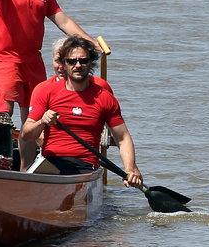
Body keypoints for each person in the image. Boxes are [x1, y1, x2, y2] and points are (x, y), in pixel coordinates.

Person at [20, 36, 142, 187]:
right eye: (72, 61)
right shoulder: (47, 92)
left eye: (83, 61)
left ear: (91, 62)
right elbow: (26, 135)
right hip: (50, 163)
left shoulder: (104, 98)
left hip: (85, 167)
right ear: (64, 64)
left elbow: (122, 138)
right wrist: (42, 122)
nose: (78, 65)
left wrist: (131, 169)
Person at [18, 37, 113, 170]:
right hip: (51, 156)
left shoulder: (101, 86)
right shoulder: (42, 89)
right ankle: (25, 172)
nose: (62, 67)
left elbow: (112, 125)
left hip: (87, 159)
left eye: (78, 60)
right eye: (59, 61)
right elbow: (34, 135)